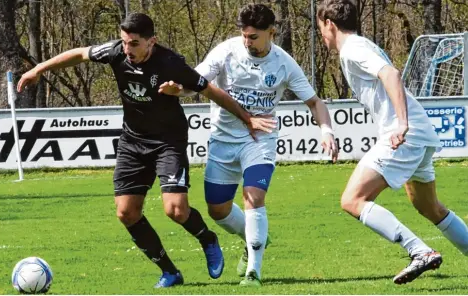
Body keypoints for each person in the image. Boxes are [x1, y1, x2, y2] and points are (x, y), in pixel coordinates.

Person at [17, 13, 275, 288]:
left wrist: (246, 118)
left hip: (168, 142)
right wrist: (38, 69)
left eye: (134, 44)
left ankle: (207, 238)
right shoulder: (116, 52)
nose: (128, 50)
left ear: (152, 41)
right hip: (132, 142)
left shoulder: (170, 63)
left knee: (175, 210)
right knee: (126, 212)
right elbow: (80, 54)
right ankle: (169, 272)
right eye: (125, 42)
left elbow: (211, 91)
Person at [159, 4, 338, 287]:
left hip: (260, 140)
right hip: (222, 140)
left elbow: (314, 102)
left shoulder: (284, 63)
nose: (247, 41)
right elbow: (196, 81)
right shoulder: (226, 51)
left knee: (253, 196)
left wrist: (326, 130)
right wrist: (177, 91)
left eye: (254, 36)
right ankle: (256, 237)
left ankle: (254, 271)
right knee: (217, 210)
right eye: (244, 35)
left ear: (271, 32)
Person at [316, 0, 468, 285]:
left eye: (321, 29)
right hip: (419, 133)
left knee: (352, 200)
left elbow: (391, 74)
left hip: (404, 135)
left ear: (330, 24)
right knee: (429, 207)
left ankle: (419, 251)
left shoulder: (353, 49)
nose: (322, 36)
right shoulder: (360, 45)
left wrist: (401, 123)